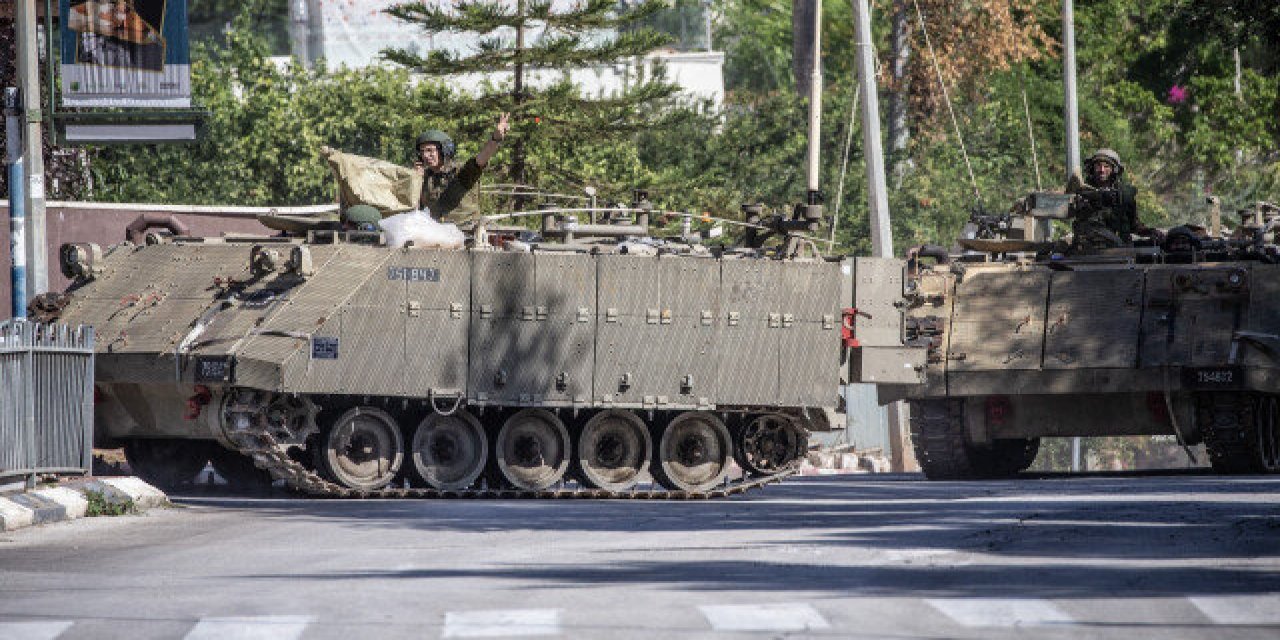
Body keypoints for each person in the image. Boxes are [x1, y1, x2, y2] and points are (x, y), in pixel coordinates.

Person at [415, 113, 510, 219]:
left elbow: (480, 160)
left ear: (444, 150)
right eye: (422, 152)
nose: (425, 155)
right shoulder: (424, 177)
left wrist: (495, 139)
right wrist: (416, 180)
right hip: (437, 231)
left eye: (430, 150)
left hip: (466, 230)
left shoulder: (460, 172)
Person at [1066, 149, 1160, 252]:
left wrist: (1149, 232)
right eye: (1098, 166)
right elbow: (1068, 210)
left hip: (1120, 250)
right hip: (1087, 251)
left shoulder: (1123, 194)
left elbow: (1134, 224)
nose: (1102, 170)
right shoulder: (1082, 192)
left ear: (1114, 169)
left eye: (1106, 166)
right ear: (1092, 168)